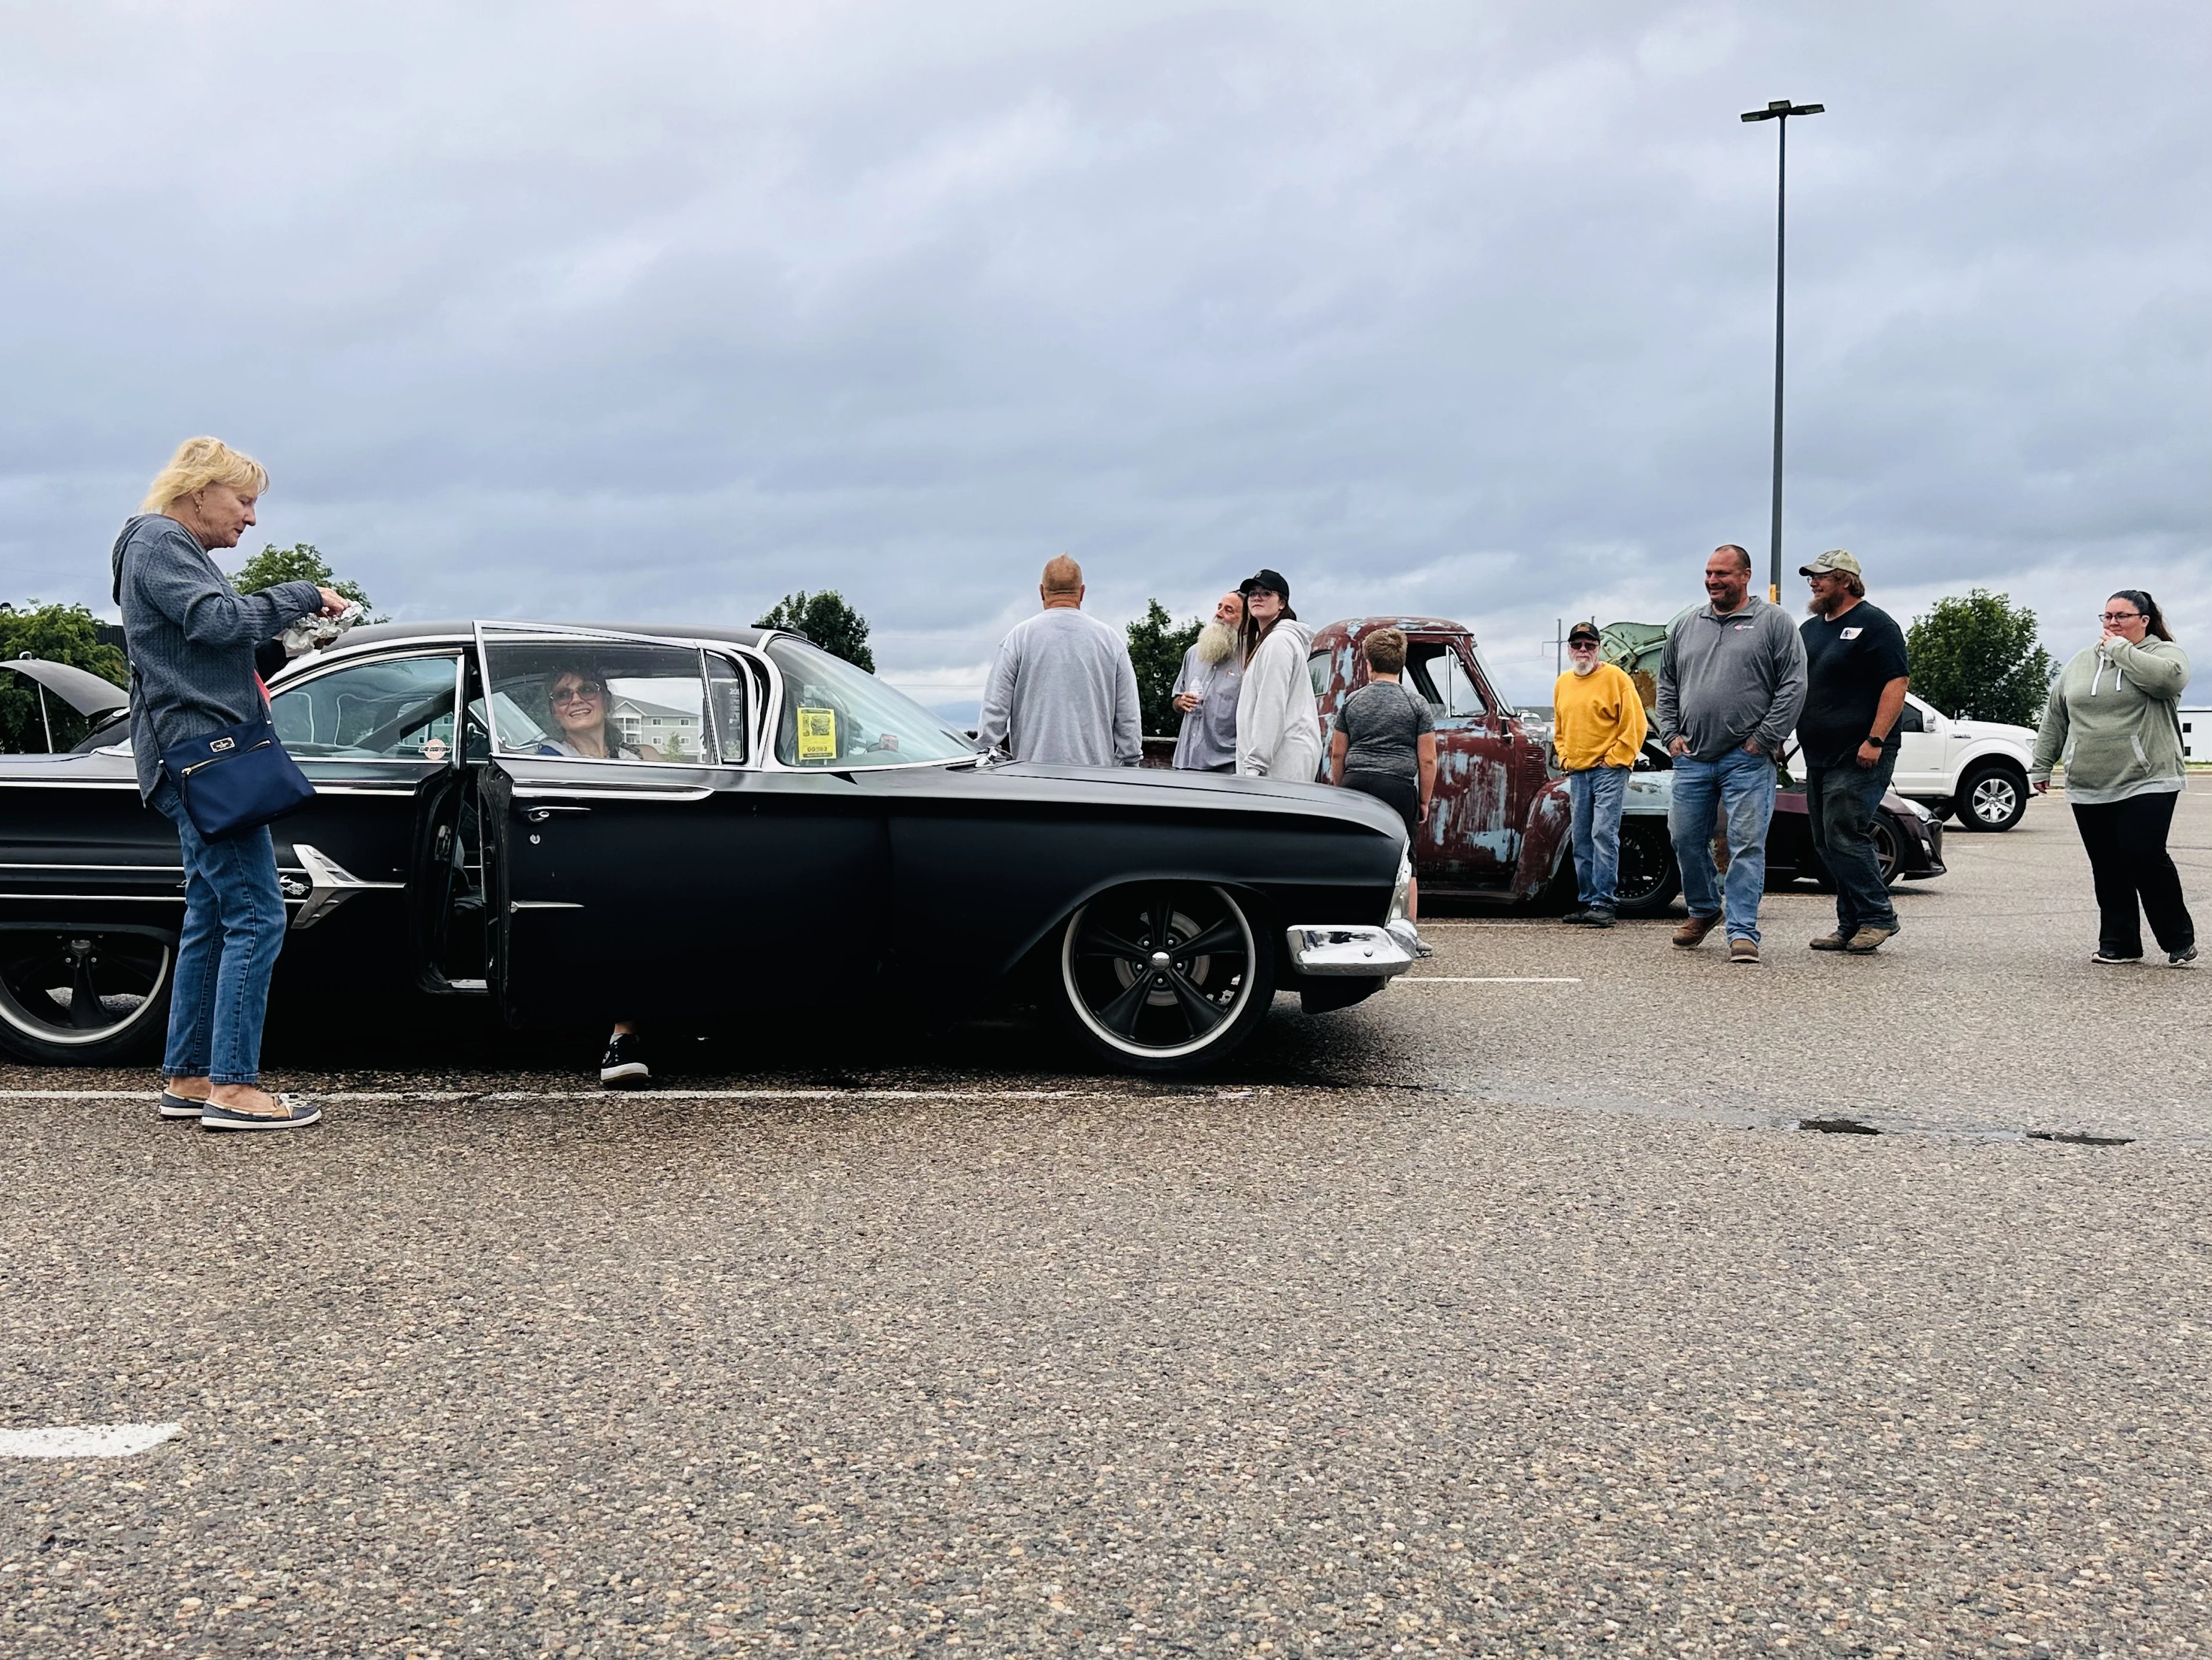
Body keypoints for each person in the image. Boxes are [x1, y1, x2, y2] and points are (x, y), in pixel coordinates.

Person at [113, 438, 347, 1131]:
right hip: (205, 758)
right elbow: (216, 621)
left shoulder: (161, 547)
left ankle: (188, 1078)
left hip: (191, 754)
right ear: (198, 490)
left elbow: (208, 648)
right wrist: (303, 592)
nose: (250, 519)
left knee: (213, 916)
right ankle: (235, 1090)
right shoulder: (161, 539)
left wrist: (290, 645)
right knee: (258, 912)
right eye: (243, 501)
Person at [1654, 544, 1807, 965]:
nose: (1712, 580)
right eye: (1708, 573)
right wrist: (1670, 735)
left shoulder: (1774, 623)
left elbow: (1793, 685)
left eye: (1722, 573)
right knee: (1684, 837)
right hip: (1693, 757)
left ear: (1745, 576)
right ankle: (1704, 909)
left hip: (1748, 759)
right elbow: (1665, 683)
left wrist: (1765, 738)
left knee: (1745, 844)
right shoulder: (1688, 625)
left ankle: (1743, 931)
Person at [2031, 590, 2195, 967]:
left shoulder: (2164, 655)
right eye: (2106, 616)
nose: (2112, 623)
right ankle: (2119, 943)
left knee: (2142, 852)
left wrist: (2121, 651)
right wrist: (2042, 764)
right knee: (2107, 863)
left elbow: (2168, 682)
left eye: (2122, 616)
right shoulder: (2081, 662)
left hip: (2149, 776)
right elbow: (2056, 713)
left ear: (2145, 620)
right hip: (2089, 781)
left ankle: (2178, 939)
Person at [1794, 551, 1911, 954]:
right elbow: (1798, 686)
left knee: (1846, 831)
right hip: (1818, 752)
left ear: (1845, 580)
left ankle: (1879, 916)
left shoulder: (1876, 624)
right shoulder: (1810, 630)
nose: (1813, 582)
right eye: (1811, 577)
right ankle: (1850, 923)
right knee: (1826, 840)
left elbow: (1896, 683)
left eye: (1821, 576)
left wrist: (1876, 739)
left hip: (1861, 751)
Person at [976, 555, 1141, 766]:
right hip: (1097, 779)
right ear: (1081, 592)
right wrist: (1129, 764)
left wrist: (987, 755)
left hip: (1031, 777)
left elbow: (994, 709)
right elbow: (1129, 718)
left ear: (1042, 591)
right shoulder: (1110, 641)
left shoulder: (1019, 637)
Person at [1328, 627, 1436, 922]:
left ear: (1369, 664)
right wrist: (1424, 800)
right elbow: (1427, 759)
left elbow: (1338, 753)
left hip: (1358, 784)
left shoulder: (1352, 701)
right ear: (1401, 662)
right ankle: (1409, 930)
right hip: (1399, 787)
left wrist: (1342, 789)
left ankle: (1355, 921)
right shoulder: (1417, 704)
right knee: (1406, 858)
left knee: (1355, 852)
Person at [1552, 620, 1647, 928]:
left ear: (1599, 649)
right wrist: (1565, 756)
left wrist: (1616, 759)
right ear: (1569, 649)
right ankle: (1587, 900)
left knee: (1603, 834)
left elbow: (1636, 725)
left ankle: (1604, 903)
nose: (1583, 651)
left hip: (1608, 771)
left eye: (1589, 646)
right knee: (1581, 838)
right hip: (1578, 771)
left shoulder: (1616, 678)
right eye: (1577, 645)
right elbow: (1560, 728)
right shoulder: (1563, 683)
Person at [1233, 568, 1322, 782]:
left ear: (1282, 603)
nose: (1257, 598)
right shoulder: (1269, 641)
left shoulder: (1278, 641)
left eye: (1266, 593)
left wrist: (1255, 766)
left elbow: (1271, 704)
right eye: (1253, 594)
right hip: (1276, 760)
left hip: (1279, 763)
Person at [1170, 592, 1245, 771]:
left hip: (1225, 767)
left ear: (1245, 621)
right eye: (1219, 607)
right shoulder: (1194, 654)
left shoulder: (1248, 661)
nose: (1219, 614)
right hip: (1185, 763)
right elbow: (1176, 701)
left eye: (1229, 610)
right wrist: (1181, 702)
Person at [537, 664, 660, 760]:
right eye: (563, 695)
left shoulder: (644, 757)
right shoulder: (546, 763)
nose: (576, 700)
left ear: (606, 701)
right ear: (555, 712)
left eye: (587, 690)